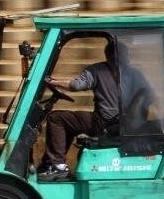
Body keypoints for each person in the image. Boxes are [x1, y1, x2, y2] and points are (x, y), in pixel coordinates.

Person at [37, 40, 120, 181]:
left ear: (107, 54)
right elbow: (149, 97)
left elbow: (76, 85)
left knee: (56, 118)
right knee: (70, 122)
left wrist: (53, 82)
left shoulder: (98, 70)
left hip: (104, 123)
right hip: (124, 126)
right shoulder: (134, 73)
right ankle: (49, 164)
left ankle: (57, 166)